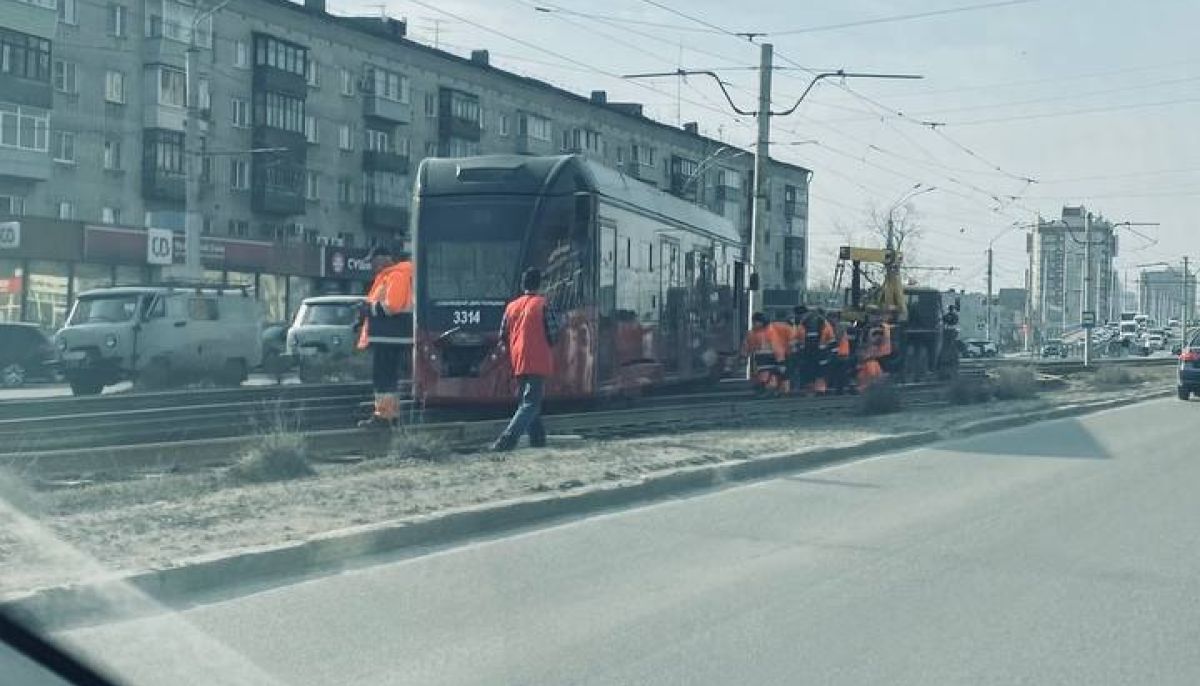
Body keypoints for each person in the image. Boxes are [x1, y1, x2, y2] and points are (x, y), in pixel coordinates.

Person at [492, 268, 561, 452]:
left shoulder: (511, 307)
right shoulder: (543, 304)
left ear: (523, 285)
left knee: (528, 403)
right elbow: (554, 334)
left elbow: (503, 336)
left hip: (518, 361)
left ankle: (538, 441)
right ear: (540, 284)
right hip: (538, 361)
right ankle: (506, 441)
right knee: (530, 404)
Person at [355, 245, 414, 428]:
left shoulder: (396, 275)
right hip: (389, 336)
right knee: (388, 378)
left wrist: (368, 309)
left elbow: (392, 306)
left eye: (373, 261)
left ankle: (384, 417)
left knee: (383, 378)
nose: (372, 265)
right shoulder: (391, 275)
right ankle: (391, 415)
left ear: (384, 258)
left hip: (390, 336)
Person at [742, 312, 791, 395]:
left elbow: (776, 346)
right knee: (765, 374)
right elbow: (747, 345)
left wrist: (780, 360)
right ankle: (768, 388)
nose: (754, 323)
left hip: (771, 357)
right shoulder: (752, 333)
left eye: (756, 321)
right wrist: (744, 355)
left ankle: (777, 390)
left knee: (776, 374)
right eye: (754, 321)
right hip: (762, 358)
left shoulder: (770, 331)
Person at [792, 305, 835, 395]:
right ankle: (820, 390)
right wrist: (832, 353)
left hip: (809, 353)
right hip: (823, 353)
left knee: (810, 370)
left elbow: (798, 339)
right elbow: (831, 338)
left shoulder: (802, 324)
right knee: (820, 372)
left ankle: (811, 391)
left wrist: (797, 351)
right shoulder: (822, 321)